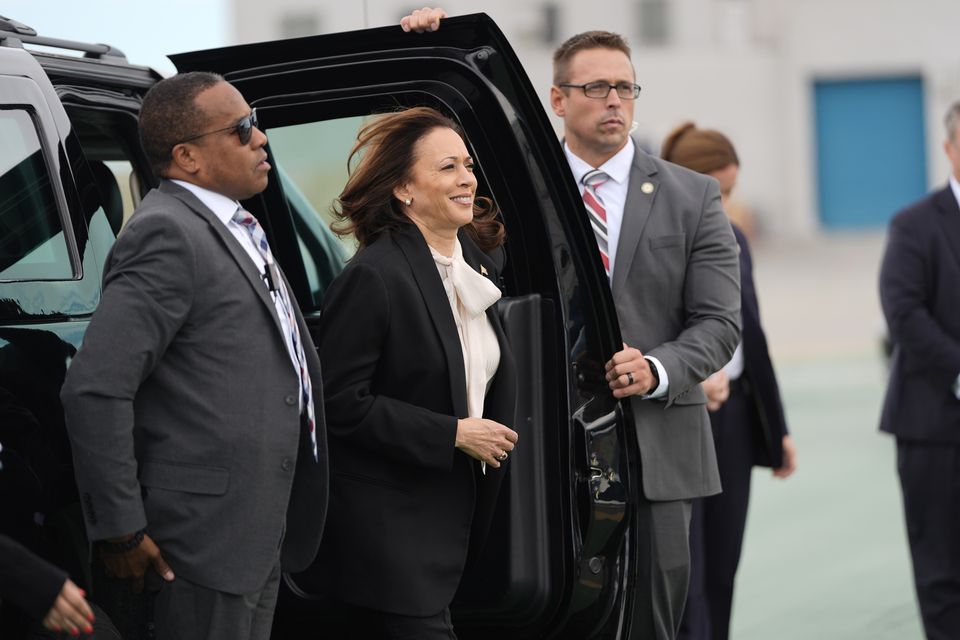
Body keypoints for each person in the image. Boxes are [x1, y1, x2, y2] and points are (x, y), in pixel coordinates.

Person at [402, 10, 741, 639]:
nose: (614, 101)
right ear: (557, 99)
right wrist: (430, 47)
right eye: (595, 88)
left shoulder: (692, 197)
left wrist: (658, 368)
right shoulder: (510, 187)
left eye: (625, 88)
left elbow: (720, 323)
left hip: (658, 450)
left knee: (652, 621)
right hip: (538, 444)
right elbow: (428, 157)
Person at [60, 72, 328, 640]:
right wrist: (122, 531)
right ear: (187, 157)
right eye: (242, 129)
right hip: (200, 540)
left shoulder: (233, 223)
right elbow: (96, 388)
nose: (261, 139)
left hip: (254, 530)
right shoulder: (166, 232)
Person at [311, 106, 518, 638]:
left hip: (453, 528)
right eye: (448, 168)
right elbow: (337, 403)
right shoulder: (374, 276)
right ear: (404, 188)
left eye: (468, 166)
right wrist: (452, 433)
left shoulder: (473, 262)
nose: (468, 179)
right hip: (389, 539)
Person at [660, 123, 797, 640]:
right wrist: (695, 381)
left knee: (723, 566)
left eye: (732, 192)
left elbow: (753, 338)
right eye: (717, 191)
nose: (725, 204)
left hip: (734, 420)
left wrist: (777, 429)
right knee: (685, 572)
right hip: (680, 414)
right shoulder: (660, 236)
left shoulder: (734, 238)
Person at [879, 101, 960, 640]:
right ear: (951, 147)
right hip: (935, 425)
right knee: (942, 571)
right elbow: (904, 313)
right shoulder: (914, 226)